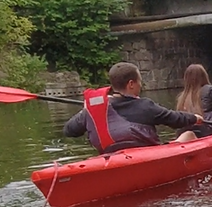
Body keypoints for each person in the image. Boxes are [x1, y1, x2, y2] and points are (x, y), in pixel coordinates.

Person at [63, 62, 203, 152]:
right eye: (139, 81)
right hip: (147, 157)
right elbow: (174, 119)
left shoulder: (93, 110)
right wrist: (194, 118)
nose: (141, 85)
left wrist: (86, 111)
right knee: (189, 135)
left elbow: (69, 130)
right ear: (131, 84)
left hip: (112, 159)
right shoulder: (145, 106)